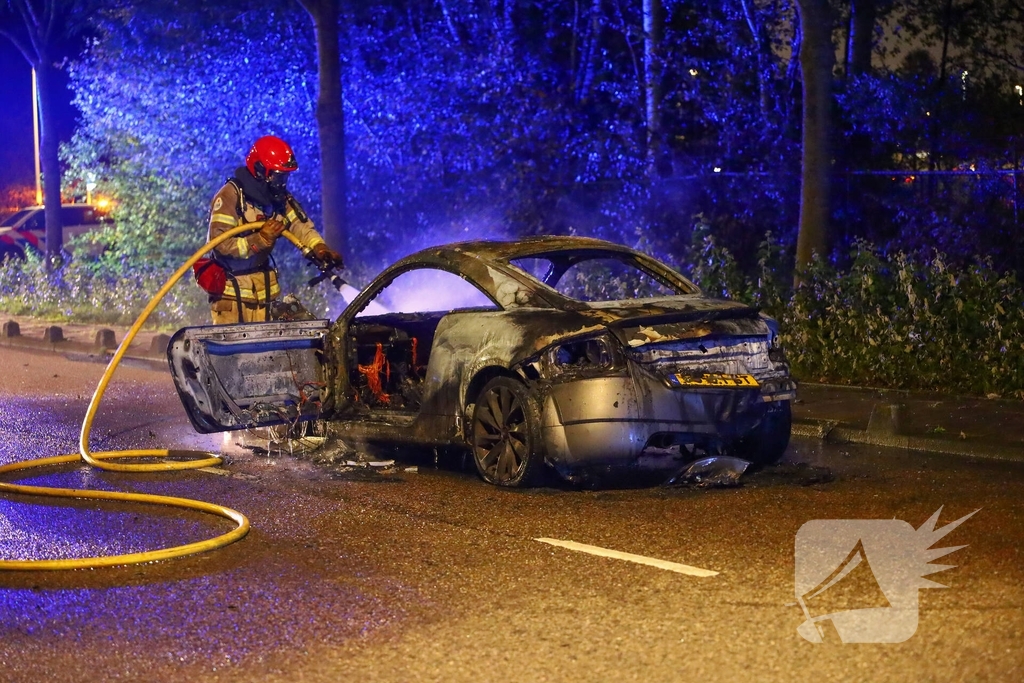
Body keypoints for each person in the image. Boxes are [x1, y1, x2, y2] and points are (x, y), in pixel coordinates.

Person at [200, 135, 344, 324]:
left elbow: (300, 225)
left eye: (285, 176)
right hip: (232, 298)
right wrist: (259, 240)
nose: (282, 182)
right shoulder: (230, 196)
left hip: (264, 294)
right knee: (235, 354)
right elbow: (220, 244)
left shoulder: (279, 198)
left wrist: (319, 247)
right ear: (260, 170)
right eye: (278, 175)